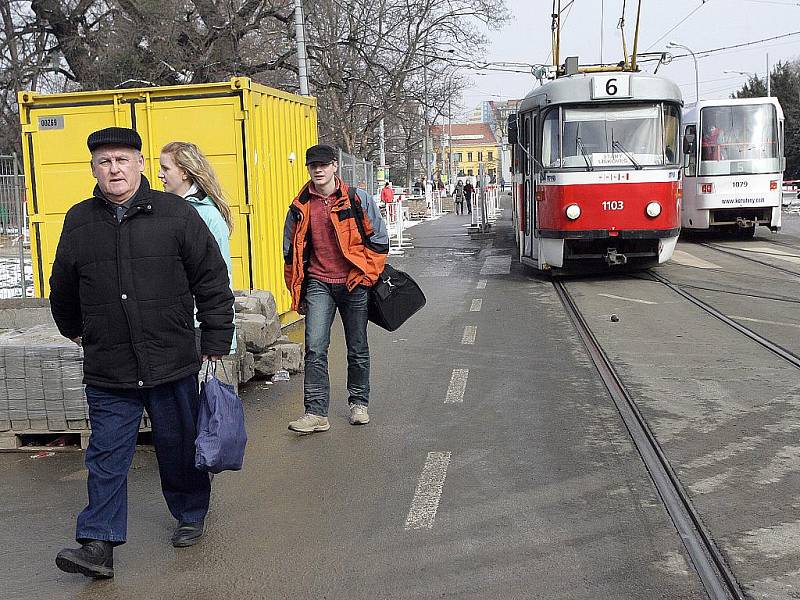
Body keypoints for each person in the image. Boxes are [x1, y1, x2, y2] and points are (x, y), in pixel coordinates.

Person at [50, 127, 235, 579]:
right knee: (107, 456)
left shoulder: (176, 215)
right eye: (104, 161)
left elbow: (211, 281)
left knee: (177, 446)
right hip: (109, 365)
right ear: (93, 168)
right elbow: (63, 289)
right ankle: (98, 544)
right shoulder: (79, 221)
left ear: (138, 165)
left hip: (170, 358)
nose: (114, 169)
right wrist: (77, 331)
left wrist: (215, 340)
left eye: (122, 160)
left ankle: (191, 513)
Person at [283, 144, 388, 433]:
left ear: (334, 167)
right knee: (315, 348)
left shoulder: (356, 199)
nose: (318, 169)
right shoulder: (299, 206)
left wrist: (366, 276)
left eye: (323, 164)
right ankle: (315, 413)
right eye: (312, 165)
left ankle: (358, 403)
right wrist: (298, 290)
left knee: (357, 347)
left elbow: (379, 240)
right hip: (319, 284)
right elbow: (290, 253)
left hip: (354, 283)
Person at [158, 141, 237, 354]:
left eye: (165, 168)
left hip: (196, 325)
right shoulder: (162, 210)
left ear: (184, 172)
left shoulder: (209, 217)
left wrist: (219, 336)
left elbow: (221, 278)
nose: (159, 175)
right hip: (169, 323)